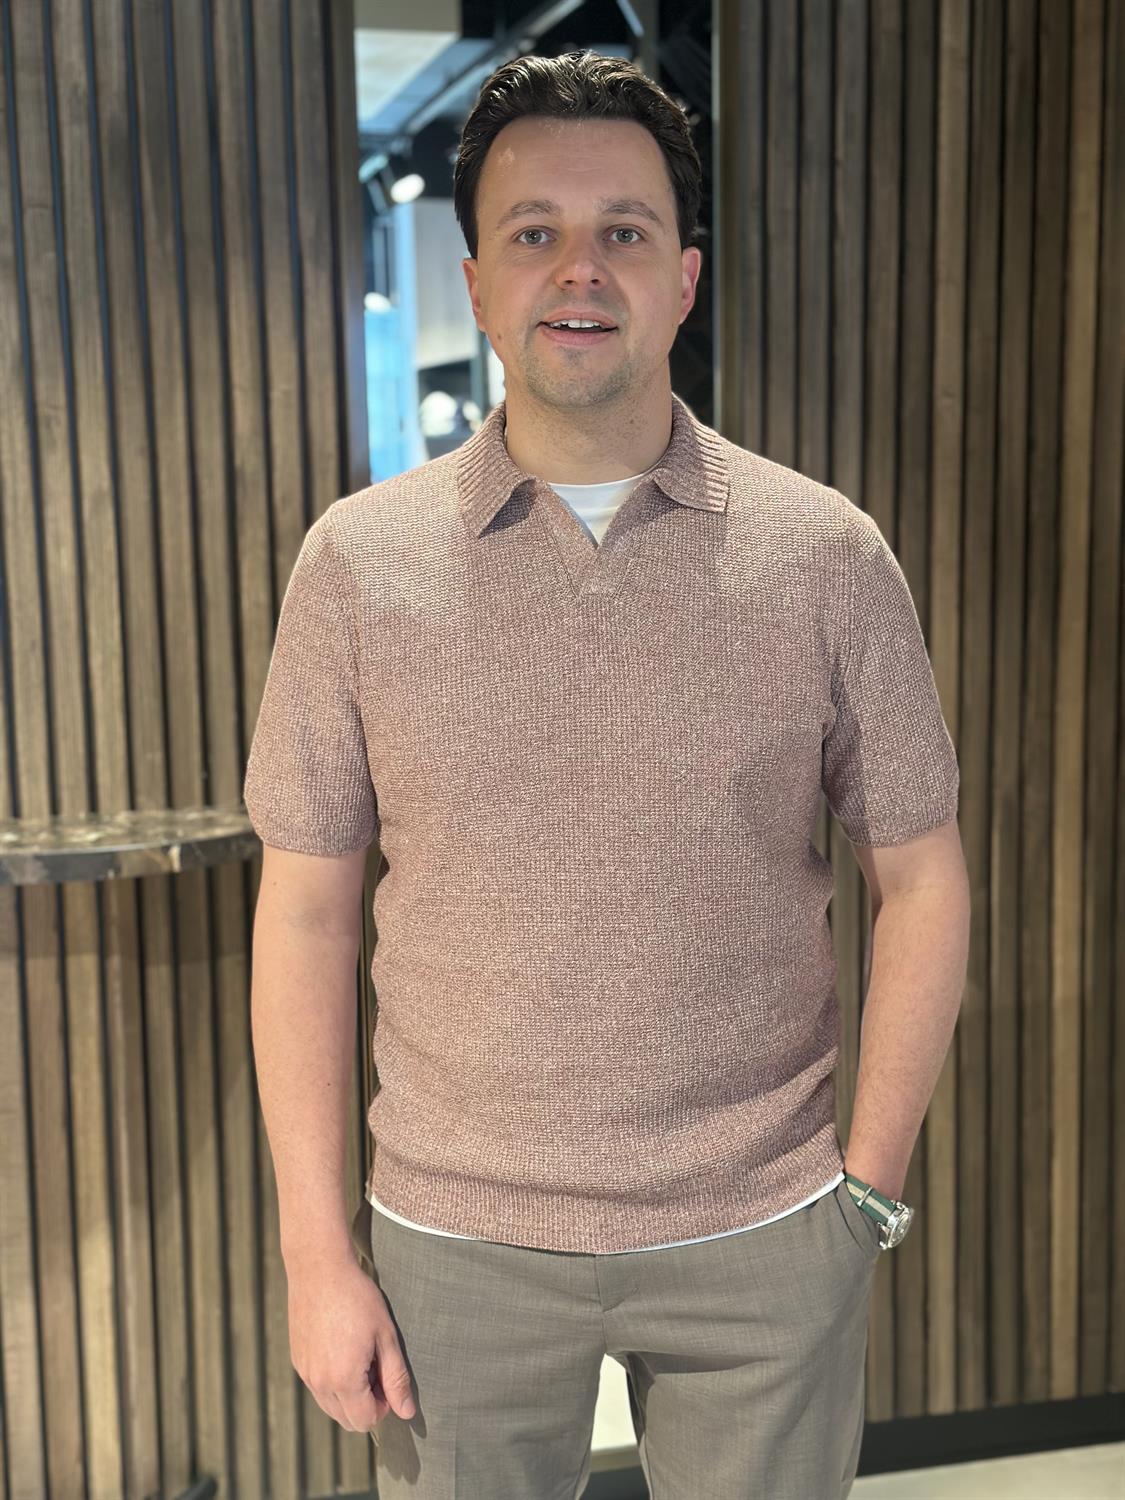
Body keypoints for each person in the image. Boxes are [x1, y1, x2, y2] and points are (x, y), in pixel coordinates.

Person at [243, 49, 971, 1500]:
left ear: (684, 280)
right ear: (475, 284)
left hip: (763, 1226)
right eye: (535, 232)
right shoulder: (358, 565)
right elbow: (307, 912)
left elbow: (923, 874)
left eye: (623, 231)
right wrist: (315, 1250)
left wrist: (870, 1192)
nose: (579, 268)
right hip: (453, 1237)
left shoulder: (824, 553)